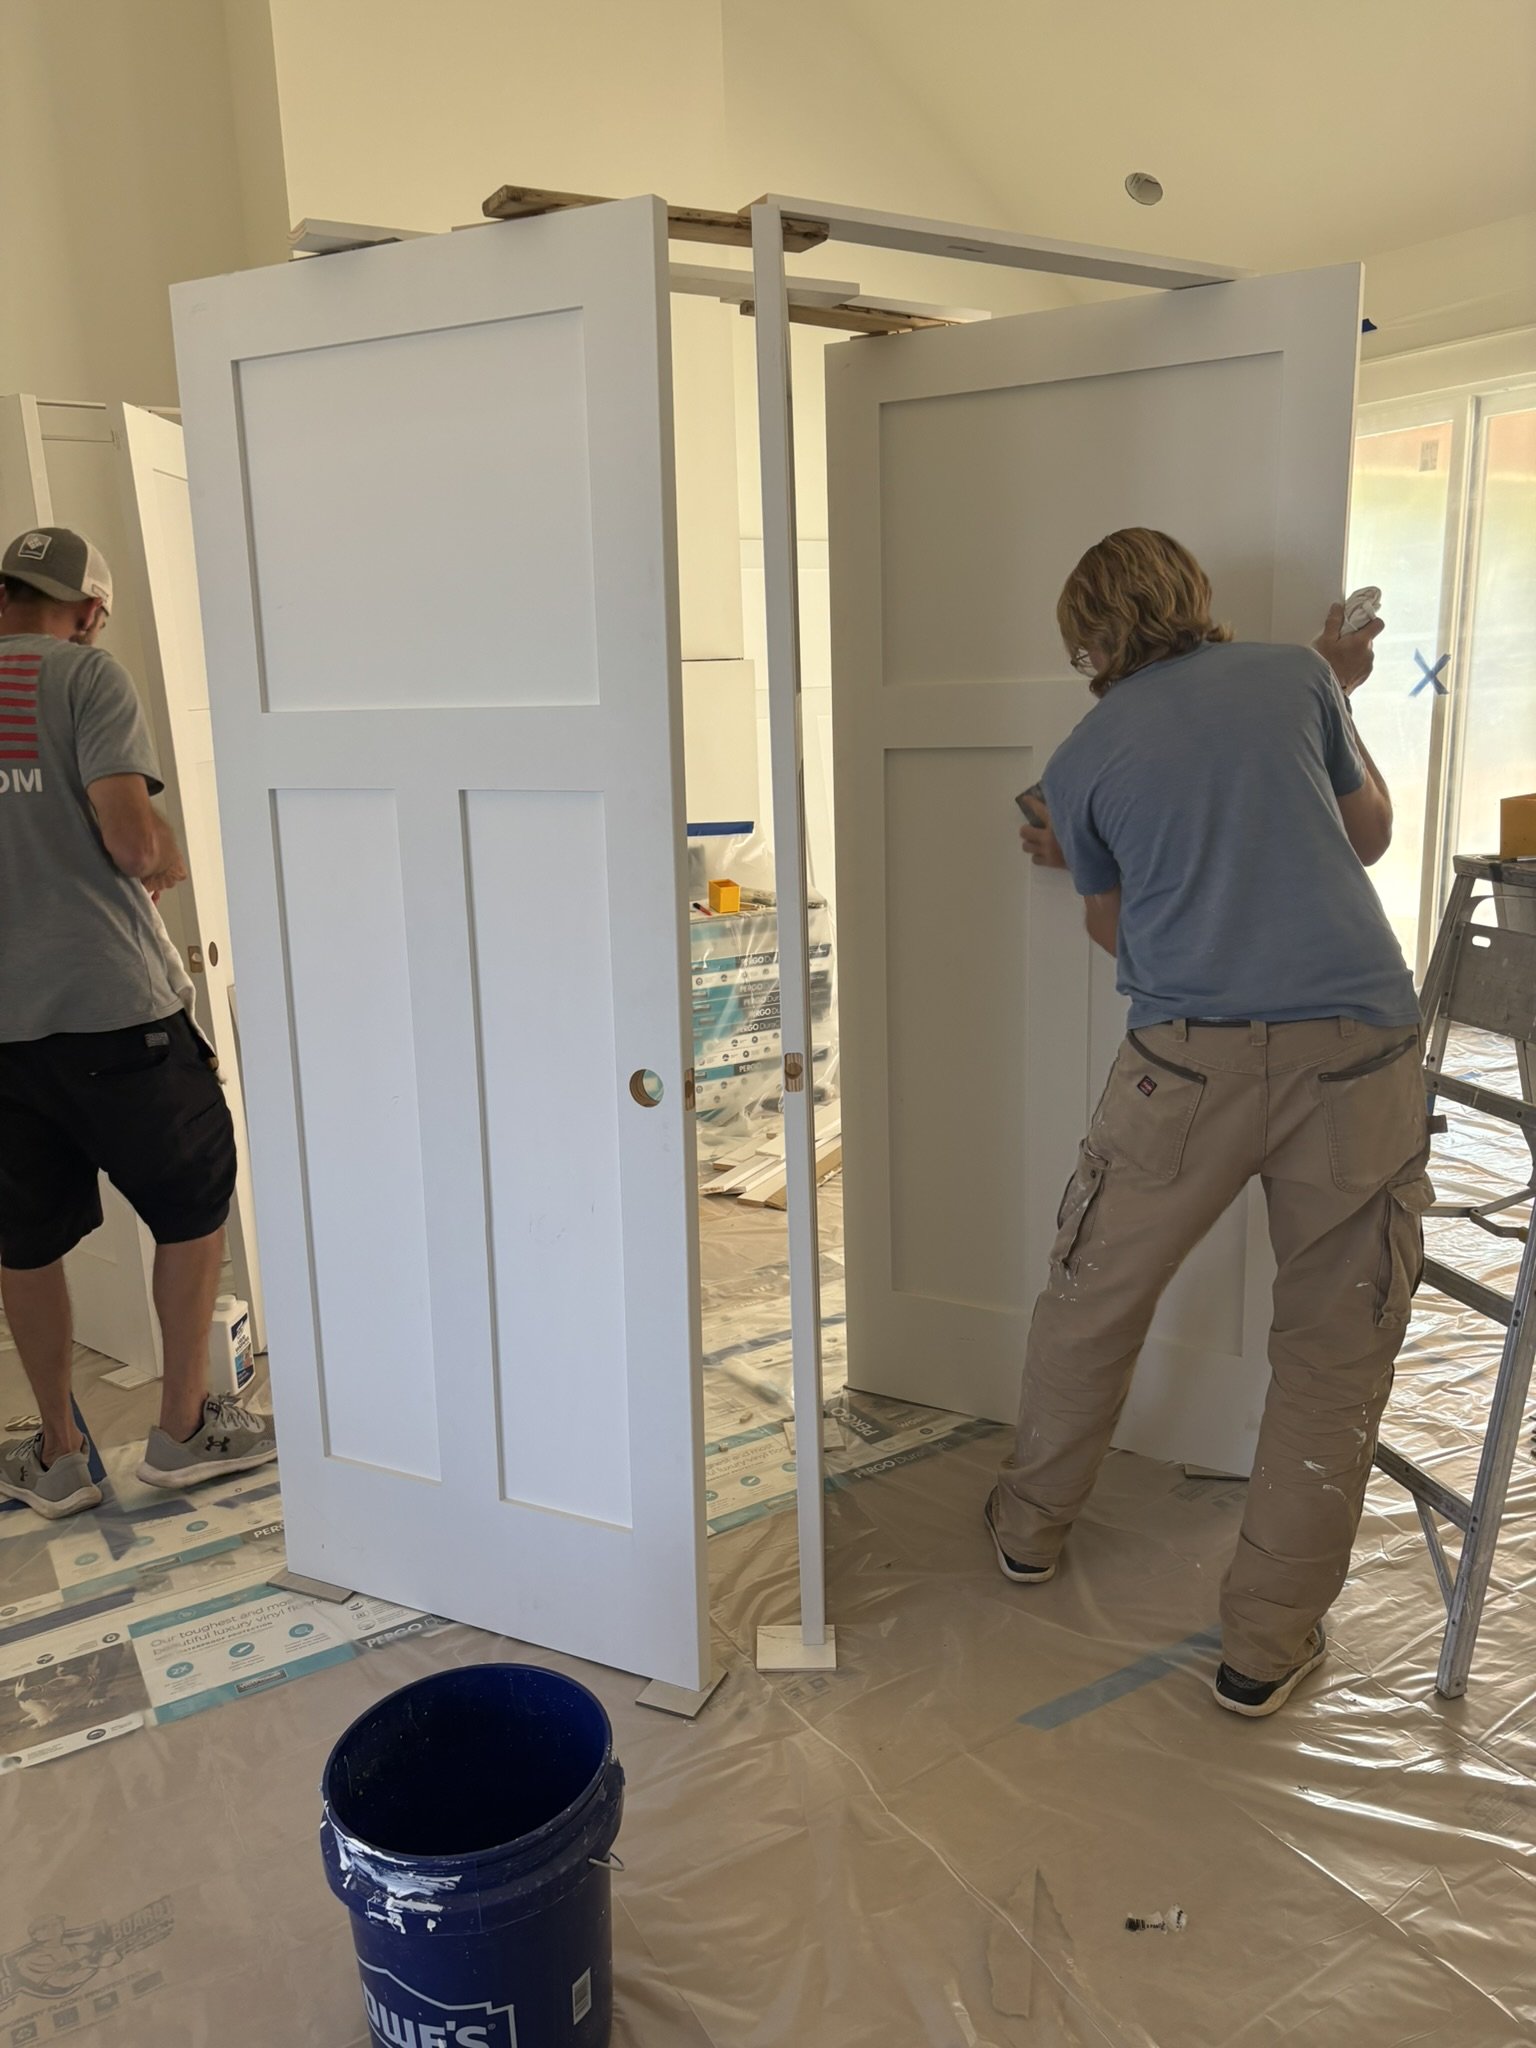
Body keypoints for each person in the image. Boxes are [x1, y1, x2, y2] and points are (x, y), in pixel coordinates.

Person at [987, 528, 1430, 1719]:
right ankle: (1266, 1645)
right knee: (1335, 1352)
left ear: (1085, 642)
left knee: (1093, 1296)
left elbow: (1109, 929)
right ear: (1198, 597)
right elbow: (1371, 834)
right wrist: (1336, 692)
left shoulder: (1081, 758)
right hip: (1360, 1050)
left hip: (1183, 1066)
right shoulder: (1296, 676)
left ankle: (1029, 1530)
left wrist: (1081, 850)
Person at [0, 526, 275, 1520]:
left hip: (5, 1034)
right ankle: (183, 1427)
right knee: (192, 1202)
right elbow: (127, 839)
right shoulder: (85, 677)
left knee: (24, 1239)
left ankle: (62, 1455)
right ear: (89, 611)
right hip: (117, 1014)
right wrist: (166, 854)